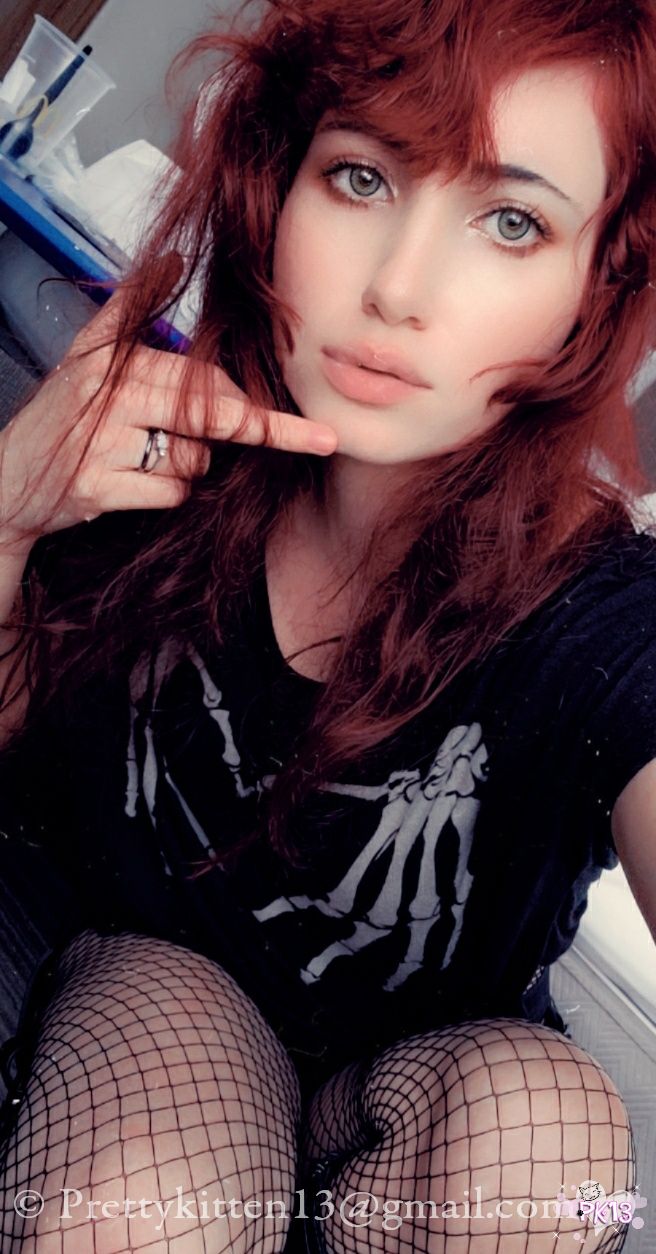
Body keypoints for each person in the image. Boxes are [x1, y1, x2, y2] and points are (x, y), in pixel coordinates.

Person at [0, 0, 655, 1248]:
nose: (397, 288)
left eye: (510, 222)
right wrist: (7, 516)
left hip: (437, 1113)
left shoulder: (600, 617)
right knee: (138, 1214)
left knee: (564, 1160)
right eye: (360, 177)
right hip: (163, 1012)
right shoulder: (147, 462)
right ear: (276, 188)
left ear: (591, 291)